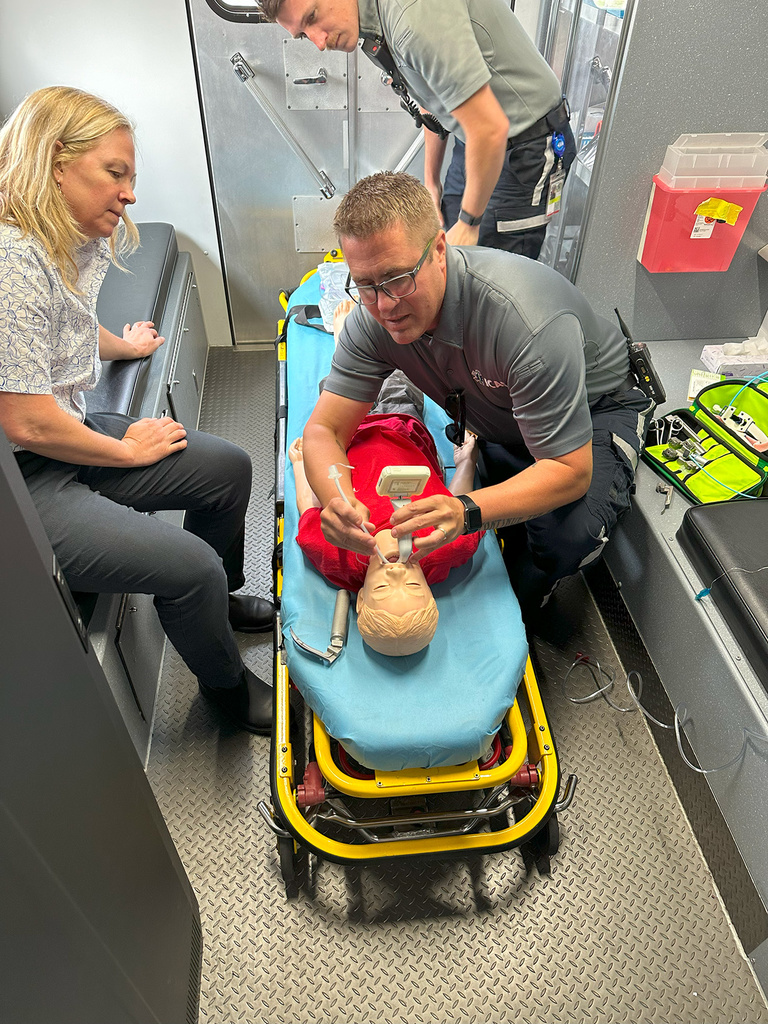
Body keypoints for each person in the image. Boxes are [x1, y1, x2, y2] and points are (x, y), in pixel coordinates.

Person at [0, 86, 275, 733]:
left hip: (63, 432)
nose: (128, 195)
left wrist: (123, 345)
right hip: (22, 482)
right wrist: (125, 450)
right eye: (115, 174)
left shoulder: (67, 236)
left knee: (228, 470)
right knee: (190, 568)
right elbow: (25, 420)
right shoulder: (10, 260)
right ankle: (225, 690)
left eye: (131, 177)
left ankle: (218, 600)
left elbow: (57, 327)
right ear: (55, 160)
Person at [299, 171, 654, 623]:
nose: (383, 305)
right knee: (492, 485)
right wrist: (336, 500)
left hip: (594, 409)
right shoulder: (372, 319)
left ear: (440, 252)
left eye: (397, 279)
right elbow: (324, 429)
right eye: (365, 285)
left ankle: (534, 601)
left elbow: (569, 469)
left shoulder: (525, 324)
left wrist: (466, 511)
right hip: (500, 409)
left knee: (563, 539)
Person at [259, 0, 576, 258]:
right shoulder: (368, 23)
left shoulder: (411, 18)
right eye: (303, 34)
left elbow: (491, 128)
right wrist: (431, 182)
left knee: (493, 276)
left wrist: (470, 222)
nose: (319, 42)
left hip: (525, 144)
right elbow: (429, 101)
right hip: (475, 137)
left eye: (313, 17)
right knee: (452, 245)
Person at [289, 368, 482, 655]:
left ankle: (344, 332)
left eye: (382, 589)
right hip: (404, 427)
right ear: (431, 591)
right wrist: (467, 461)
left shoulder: (339, 557)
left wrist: (300, 465)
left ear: (362, 597)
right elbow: (457, 503)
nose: (396, 574)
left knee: (347, 371)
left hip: (343, 439)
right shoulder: (442, 547)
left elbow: (312, 509)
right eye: (415, 587)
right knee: (395, 362)